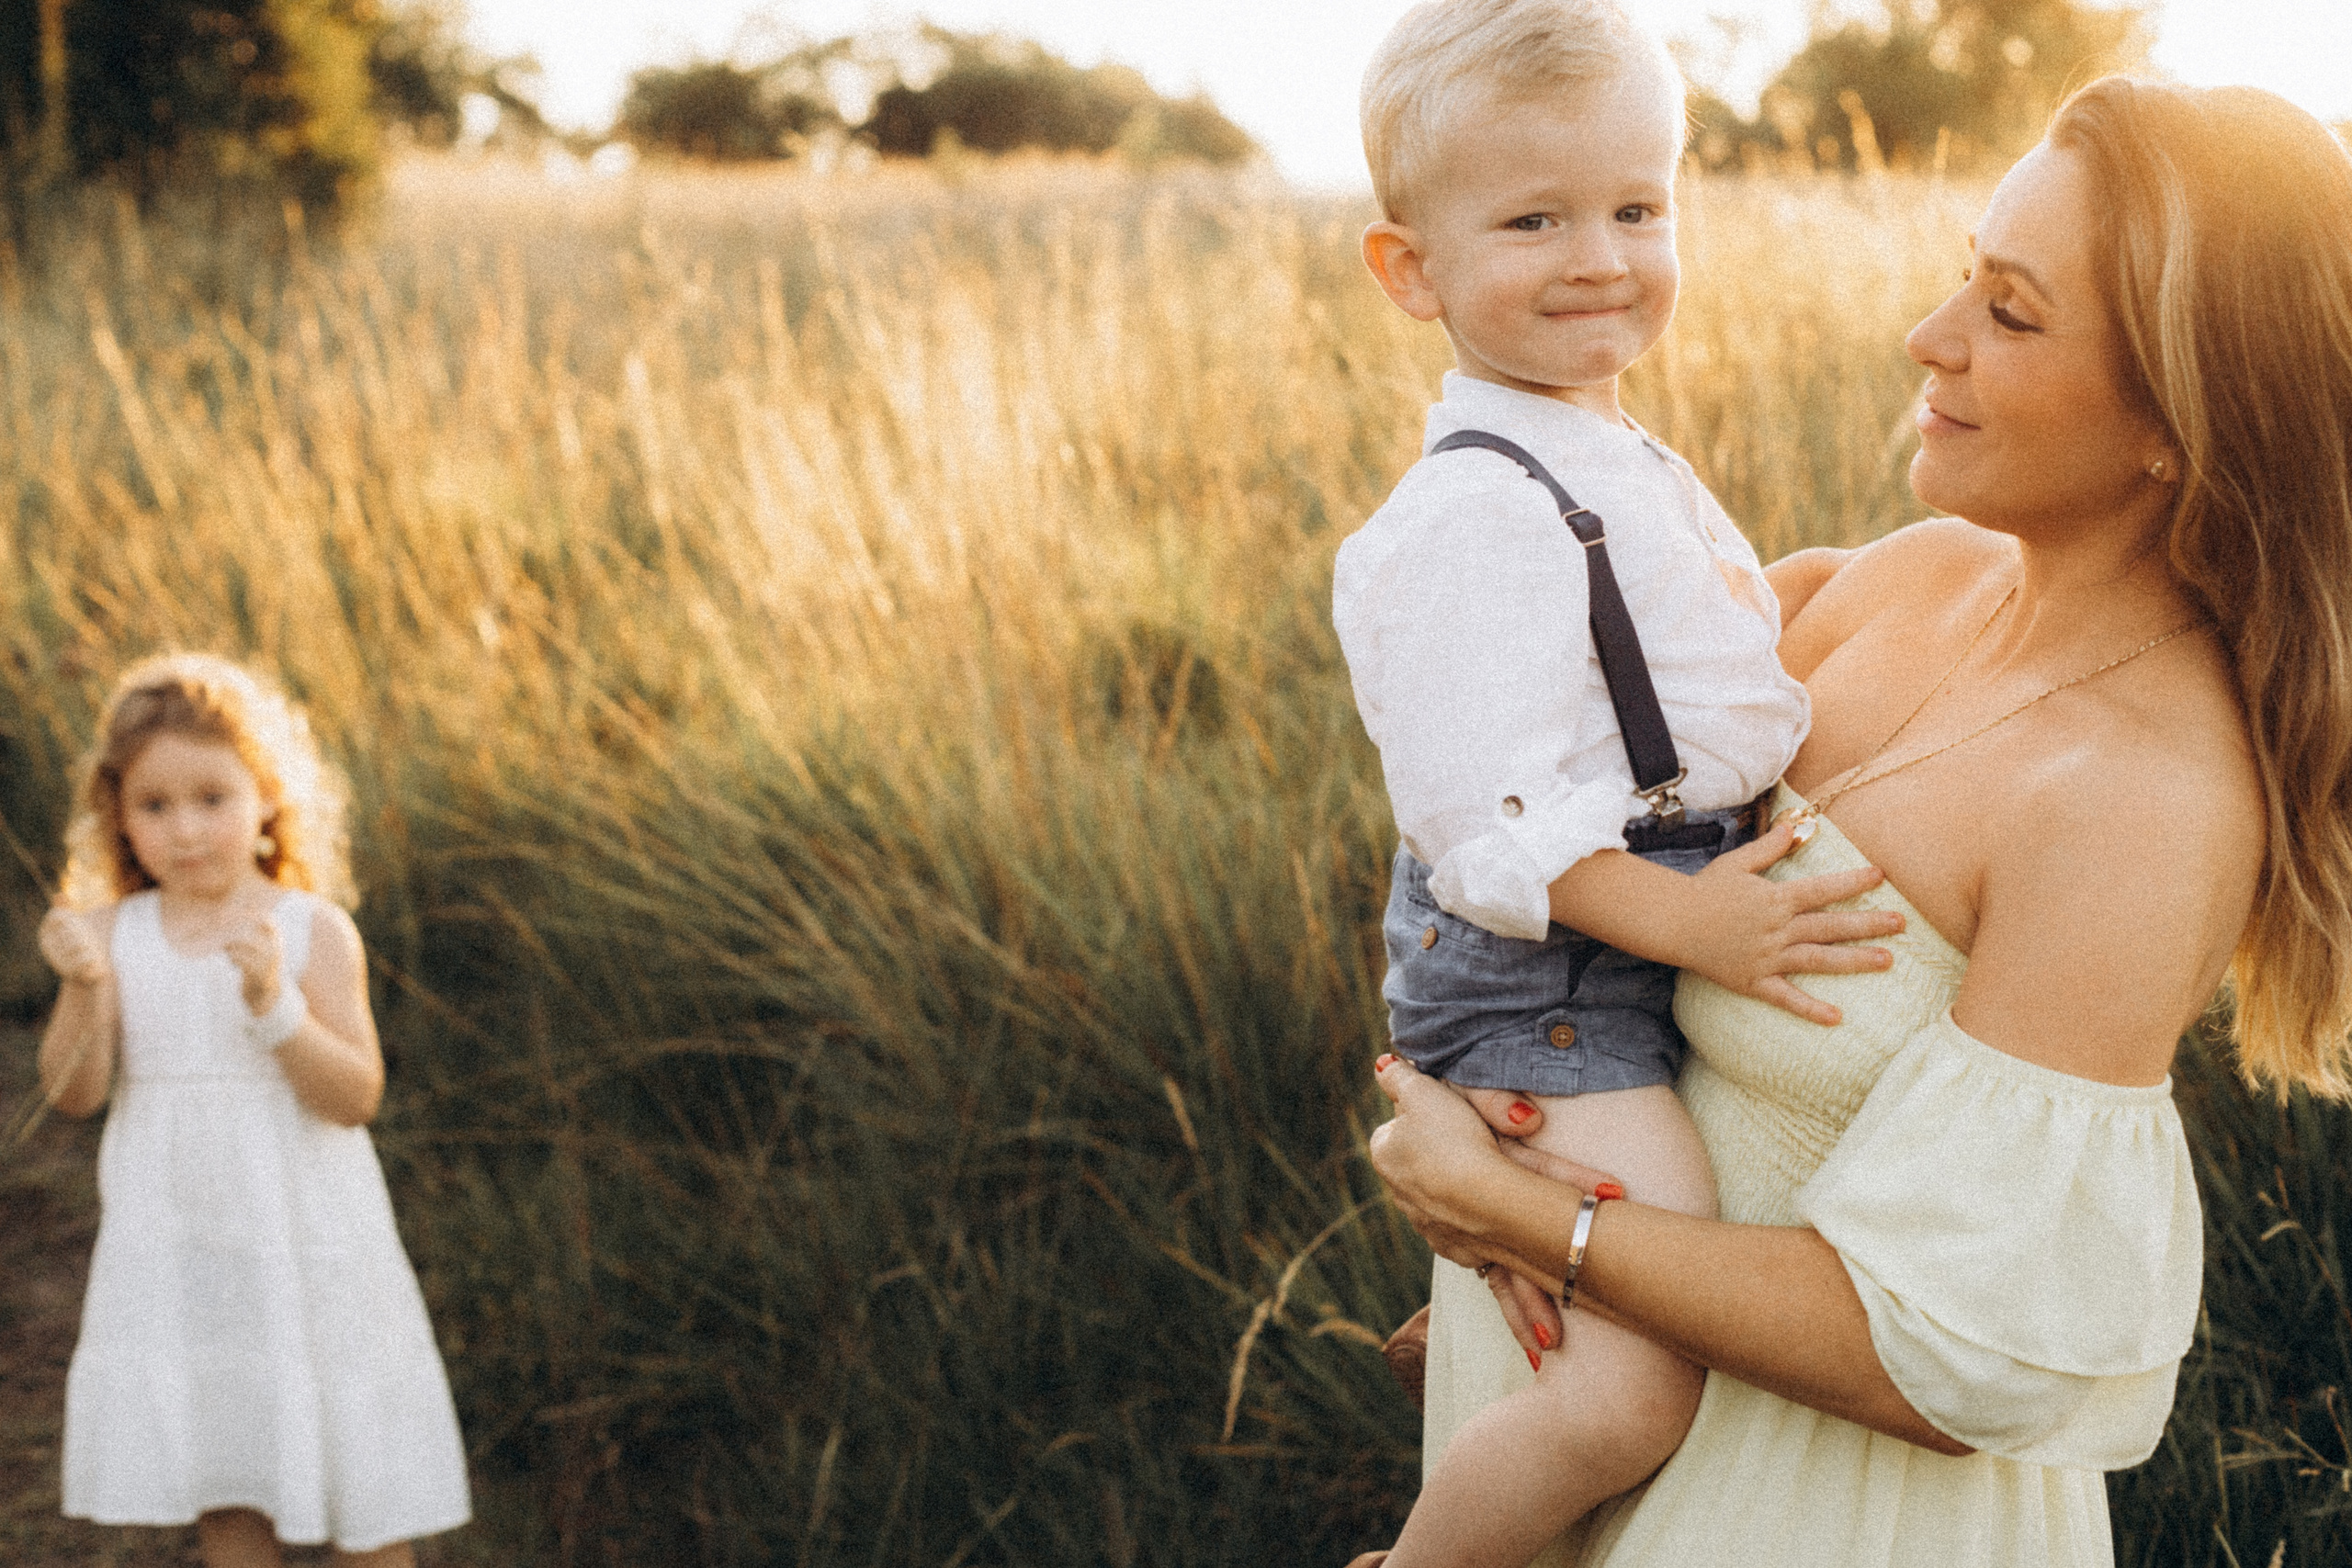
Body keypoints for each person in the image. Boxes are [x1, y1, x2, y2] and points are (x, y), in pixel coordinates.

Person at [1354, 76, 2352, 1568]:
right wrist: (1500, 1158)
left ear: (2176, 417)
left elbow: (1934, 1349)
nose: (1931, 337)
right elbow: (1520, 819)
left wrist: (1523, 1218)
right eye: (1965, 275)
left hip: (1813, 1513)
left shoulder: (2144, 800)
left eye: (2011, 314)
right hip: (1602, 1424)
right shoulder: (1896, 581)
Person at [1334, 3, 1905, 1562]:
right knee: (1635, 1390)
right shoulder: (1467, 517)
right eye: (1534, 220)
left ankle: (1477, 1369)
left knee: (1653, 1275)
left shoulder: (1599, 444)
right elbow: (1488, 832)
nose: (1600, 257)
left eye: (1638, 209)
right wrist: (1695, 925)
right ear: (1412, 269)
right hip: (1555, 982)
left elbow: (1665, 652)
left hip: (1622, 942)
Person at [36, 654, 471, 1568]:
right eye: (155, 806)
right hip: (183, 1253)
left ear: (268, 797)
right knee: (227, 1478)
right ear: (119, 817)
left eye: (212, 798)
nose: (186, 829)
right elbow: (74, 1093)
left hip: (311, 1246)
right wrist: (83, 986)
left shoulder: (311, 930)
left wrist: (277, 1011)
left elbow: (355, 1096)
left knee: (361, 1476)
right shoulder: (114, 937)